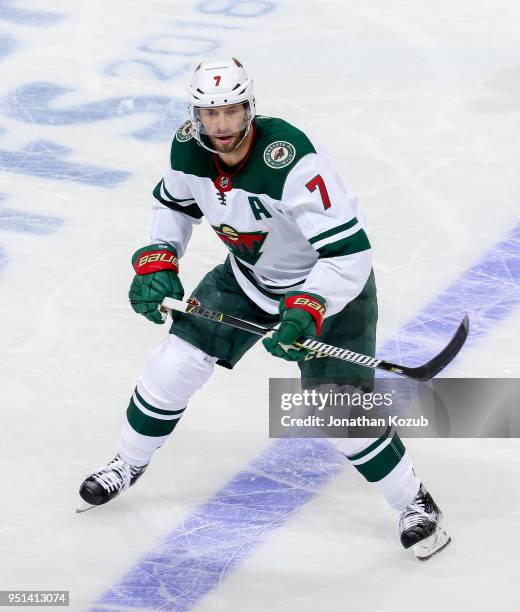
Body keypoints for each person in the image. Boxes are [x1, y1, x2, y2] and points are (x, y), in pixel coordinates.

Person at [78, 58, 450, 561]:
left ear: (249, 107)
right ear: (197, 114)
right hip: (247, 279)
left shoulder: (290, 157)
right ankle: (127, 463)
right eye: (210, 114)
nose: (222, 125)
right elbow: (174, 205)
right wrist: (158, 260)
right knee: (173, 364)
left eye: (231, 110)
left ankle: (414, 503)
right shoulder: (188, 146)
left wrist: (308, 308)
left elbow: (349, 253)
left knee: (337, 412)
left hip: (328, 287)